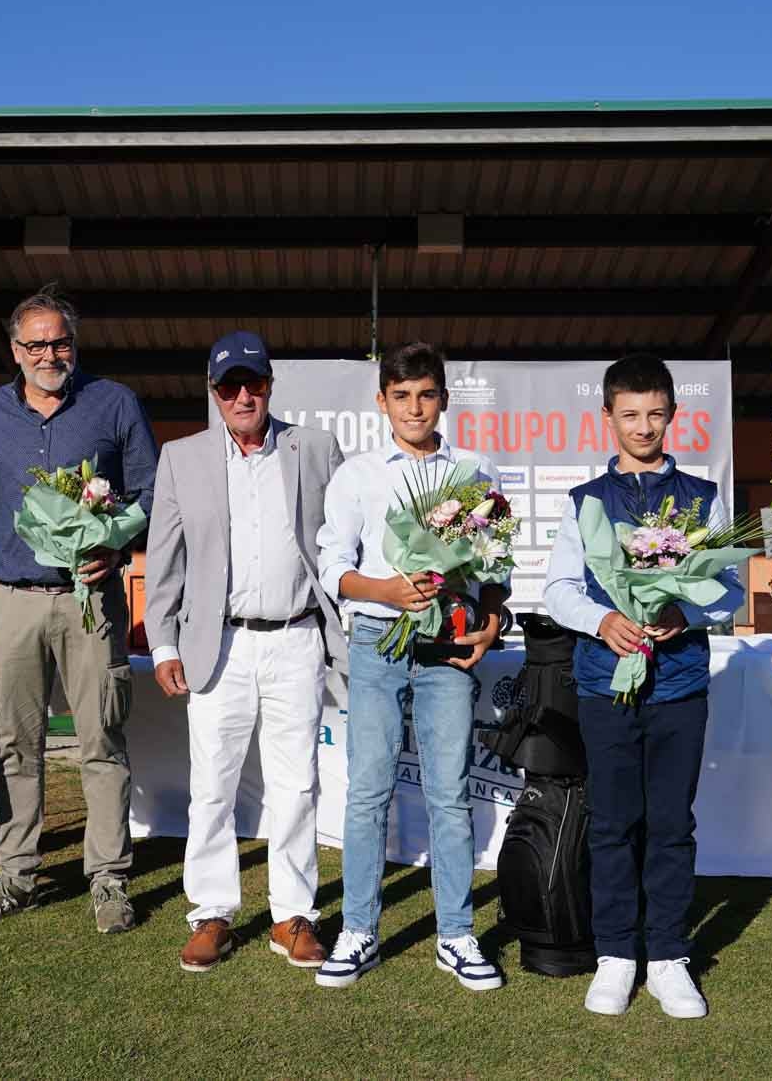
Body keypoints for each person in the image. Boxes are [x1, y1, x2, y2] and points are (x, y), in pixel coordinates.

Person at [0, 285, 158, 935]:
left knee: (102, 738)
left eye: (59, 340)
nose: (48, 353)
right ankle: (16, 873)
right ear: (14, 349)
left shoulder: (114, 403)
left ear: (75, 343)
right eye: (34, 343)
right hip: (10, 598)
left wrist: (114, 541)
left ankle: (110, 879)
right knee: (14, 743)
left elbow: (151, 492)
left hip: (90, 598)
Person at [543, 354, 743, 1020]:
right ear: (607, 416)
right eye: (629, 414)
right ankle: (616, 955)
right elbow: (558, 590)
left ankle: (667, 956)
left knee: (670, 824)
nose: (643, 426)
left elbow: (730, 587)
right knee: (611, 824)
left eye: (655, 413)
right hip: (606, 684)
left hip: (680, 683)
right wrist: (604, 620)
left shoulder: (704, 498)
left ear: (673, 416)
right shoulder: (585, 503)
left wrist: (685, 611)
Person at [144, 331, 346, 974]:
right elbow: (166, 560)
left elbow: (343, 545)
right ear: (213, 391)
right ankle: (211, 912)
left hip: (297, 636)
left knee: (297, 785)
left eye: (252, 383)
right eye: (228, 386)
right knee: (212, 787)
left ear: (269, 386)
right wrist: (165, 640)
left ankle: (292, 916)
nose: (241, 396)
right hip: (218, 643)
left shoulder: (315, 447)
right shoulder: (181, 458)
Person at [312, 341, 507, 992]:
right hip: (376, 636)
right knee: (367, 788)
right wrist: (386, 590)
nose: (415, 407)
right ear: (382, 402)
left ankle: (455, 933)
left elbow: (493, 566)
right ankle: (359, 930)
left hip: (448, 641)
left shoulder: (476, 469)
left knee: (450, 790)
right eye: (402, 395)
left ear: (444, 398)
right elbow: (333, 566)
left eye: (426, 394)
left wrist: (493, 618)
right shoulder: (358, 474)